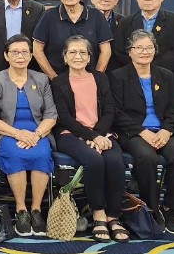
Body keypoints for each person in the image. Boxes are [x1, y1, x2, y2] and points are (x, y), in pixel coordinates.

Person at [110, 30, 174, 234]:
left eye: (149, 47)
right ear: (130, 52)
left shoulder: (166, 75)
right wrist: (141, 131)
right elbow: (117, 113)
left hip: (162, 130)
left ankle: (171, 209)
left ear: (155, 50)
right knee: (147, 158)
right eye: (139, 48)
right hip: (134, 133)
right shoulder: (118, 76)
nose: (144, 52)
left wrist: (166, 130)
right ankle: (151, 207)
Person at [50, 35, 127, 242]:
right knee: (94, 160)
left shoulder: (101, 78)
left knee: (115, 161)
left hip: (101, 133)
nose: (78, 56)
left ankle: (114, 216)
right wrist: (91, 136)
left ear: (89, 57)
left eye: (83, 52)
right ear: (65, 57)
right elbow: (64, 118)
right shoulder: (58, 82)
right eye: (72, 52)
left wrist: (99, 135)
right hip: (70, 135)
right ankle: (98, 213)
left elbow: (109, 111)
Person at [0, 34, 57, 237]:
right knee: (16, 154)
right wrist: (18, 133)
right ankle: (21, 210)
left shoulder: (41, 78)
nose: (20, 56)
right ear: (6, 55)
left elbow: (51, 114)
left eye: (25, 52)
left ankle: (36, 210)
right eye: (15, 52)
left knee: (41, 154)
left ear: (31, 55)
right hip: (7, 132)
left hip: (37, 131)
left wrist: (36, 135)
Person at [33, 0, 113, 78]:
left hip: (90, 82)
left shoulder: (97, 16)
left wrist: (97, 78)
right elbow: (37, 50)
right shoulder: (48, 16)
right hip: (57, 83)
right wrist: (54, 79)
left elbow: (106, 51)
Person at [111, 0, 174, 74]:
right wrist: (139, 68)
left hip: (166, 78)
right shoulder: (125, 23)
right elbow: (120, 53)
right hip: (132, 78)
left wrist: (150, 69)